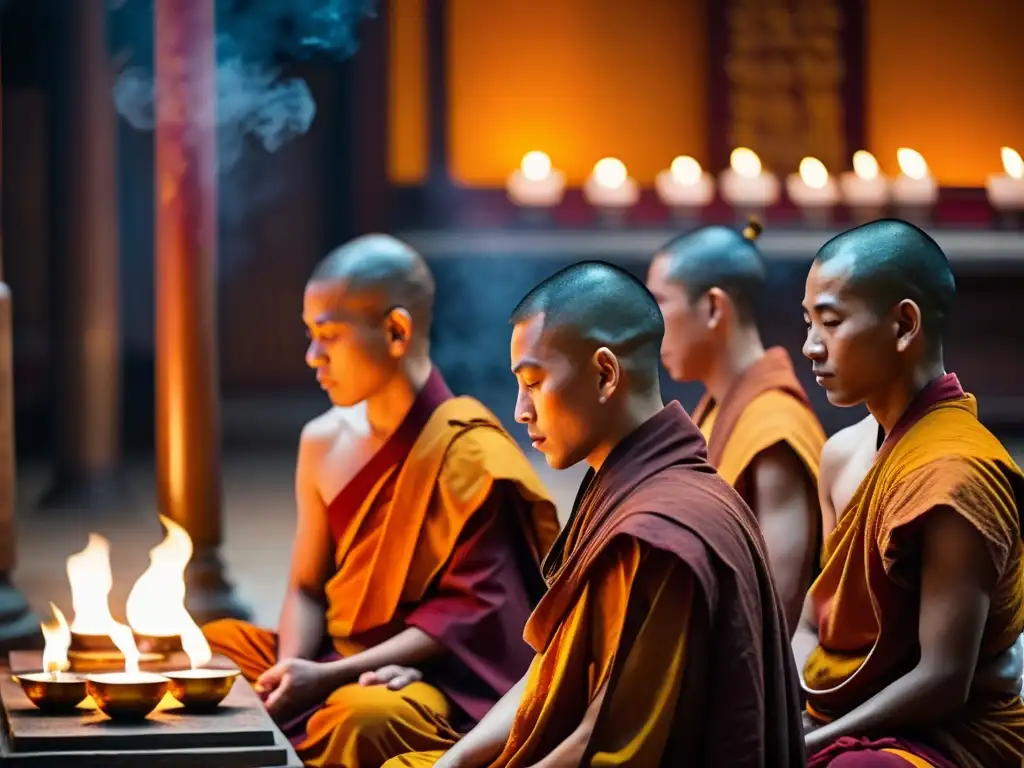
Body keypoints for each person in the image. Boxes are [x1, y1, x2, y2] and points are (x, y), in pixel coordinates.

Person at [386, 260, 805, 767]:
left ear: (605, 373)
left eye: (534, 382)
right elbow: (549, 672)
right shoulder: (624, 490)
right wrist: (451, 764)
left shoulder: (662, 533)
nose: (520, 410)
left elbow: (606, 744)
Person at [203, 234, 561, 768]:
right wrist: (291, 670)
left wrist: (328, 677)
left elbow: (469, 619)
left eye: (329, 336)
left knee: (362, 720)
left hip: (430, 673)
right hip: (330, 654)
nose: (312, 356)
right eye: (309, 335)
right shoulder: (322, 440)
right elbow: (306, 586)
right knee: (211, 651)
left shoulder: (471, 453)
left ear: (396, 331)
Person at [795, 219, 1024, 768]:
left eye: (830, 322)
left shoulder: (956, 472)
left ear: (903, 325)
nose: (809, 347)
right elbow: (813, 623)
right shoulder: (841, 456)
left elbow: (945, 679)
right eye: (808, 322)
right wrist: (798, 708)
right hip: (835, 714)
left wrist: (809, 743)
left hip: (947, 736)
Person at [646, 219, 825, 633]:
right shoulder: (713, 409)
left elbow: (776, 612)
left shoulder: (774, 430)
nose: (650, 325)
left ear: (713, 308)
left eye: (661, 303)